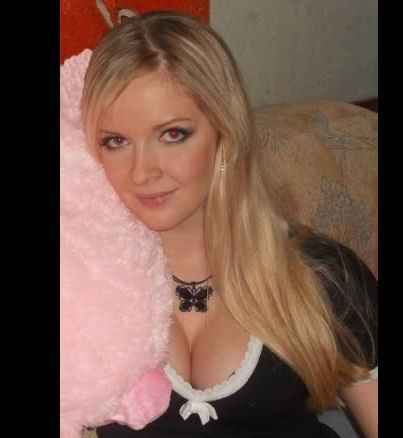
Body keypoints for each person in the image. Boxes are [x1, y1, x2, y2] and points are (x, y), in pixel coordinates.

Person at [80, 11, 378, 438]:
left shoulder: (323, 275)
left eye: (173, 134)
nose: (142, 172)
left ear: (226, 133)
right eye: (116, 141)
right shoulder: (81, 291)